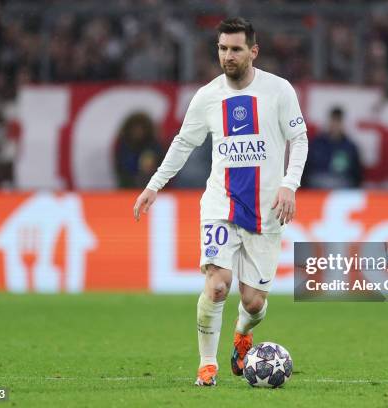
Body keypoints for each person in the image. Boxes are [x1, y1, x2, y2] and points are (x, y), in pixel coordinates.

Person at [132, 17, 308, 386]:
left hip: (266, 211)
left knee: (254, 303)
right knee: (217, 284)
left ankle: (243, 333)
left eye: (236, 49)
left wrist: (289, 185)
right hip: (220, 204)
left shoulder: (278, 90)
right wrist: (154, 186)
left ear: (253, 51)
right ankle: (206, 365)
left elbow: (300, 140)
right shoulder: (208, 96)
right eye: (223, 49)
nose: (228, 56)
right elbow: (183, 143)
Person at [305, 107, 362, 189]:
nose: (335, 124)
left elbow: (356, 175)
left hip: (341, 189)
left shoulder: (350, 148)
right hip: (316, 187)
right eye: (333, 120)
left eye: (338, 121)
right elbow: (305, 170)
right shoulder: (315, 144)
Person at [114, 112, 162, 189]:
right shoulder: (123, 146)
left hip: (152, 187)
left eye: (140, 129)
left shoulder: (154, 146)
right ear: (129, 129)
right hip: (127, 187)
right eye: (135, 129)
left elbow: (160, 169)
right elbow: (121, 170)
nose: (138, 132)